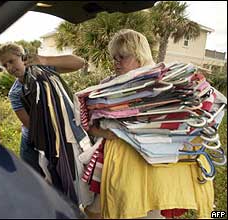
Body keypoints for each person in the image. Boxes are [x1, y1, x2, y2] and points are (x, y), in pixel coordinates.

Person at [86, 29, 214, 219]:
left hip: (156, 165)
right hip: (122, 161)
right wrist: (106, 132)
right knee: (110, 207)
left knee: (151, 205)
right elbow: (87, 121)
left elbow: (200, 108)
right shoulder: (107, 85)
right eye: (114, 57)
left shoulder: (163, 82)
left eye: (122, 56)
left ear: (139, 55)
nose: (116, 62)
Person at [0, 42, 85, 176]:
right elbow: (31, 125)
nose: (9, 67)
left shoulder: (44, 70)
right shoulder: (15, 93)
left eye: (11, 61)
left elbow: (79, 63)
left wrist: (44, 60)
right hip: (34, 144)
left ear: (23, 57)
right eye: (4, 65)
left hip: (58, 136)